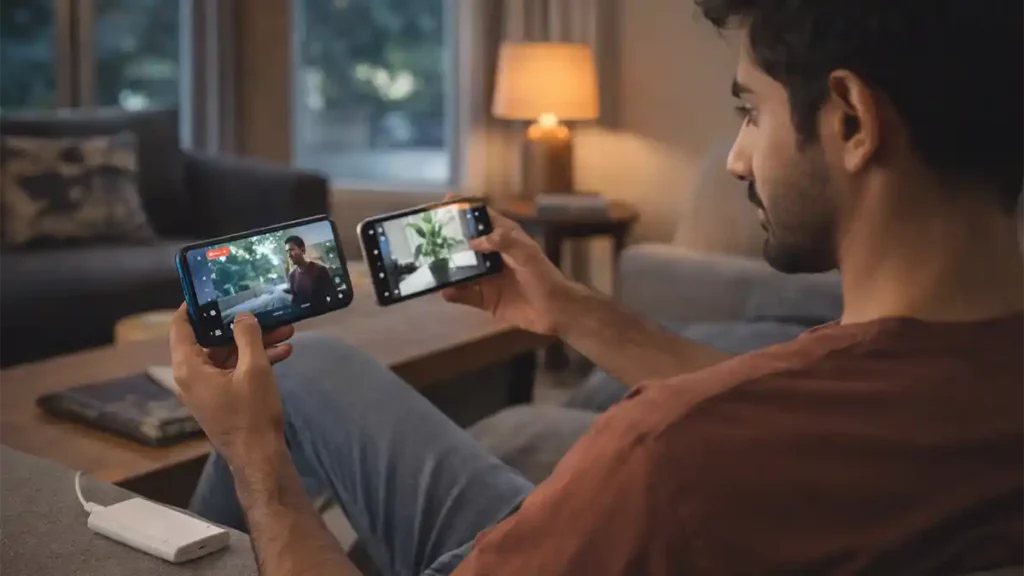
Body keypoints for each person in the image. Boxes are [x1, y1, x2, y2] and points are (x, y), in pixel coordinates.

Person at [169, 1, 1024, 574]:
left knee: (273, 409)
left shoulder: (663, 455)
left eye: (749, 113)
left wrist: (255, 456)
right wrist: (570, 310)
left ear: (851, 120)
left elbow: (722, 426)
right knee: (310, 372)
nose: (734, 160)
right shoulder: (955, 370)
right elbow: (784, 407)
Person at [285, 235, 335, 307]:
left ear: (302, 250)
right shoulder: (292, 275)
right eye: (287, 251)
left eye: (292, 250)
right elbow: (295, 299)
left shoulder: (320, 270)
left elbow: (333, 295)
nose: (289, 255)